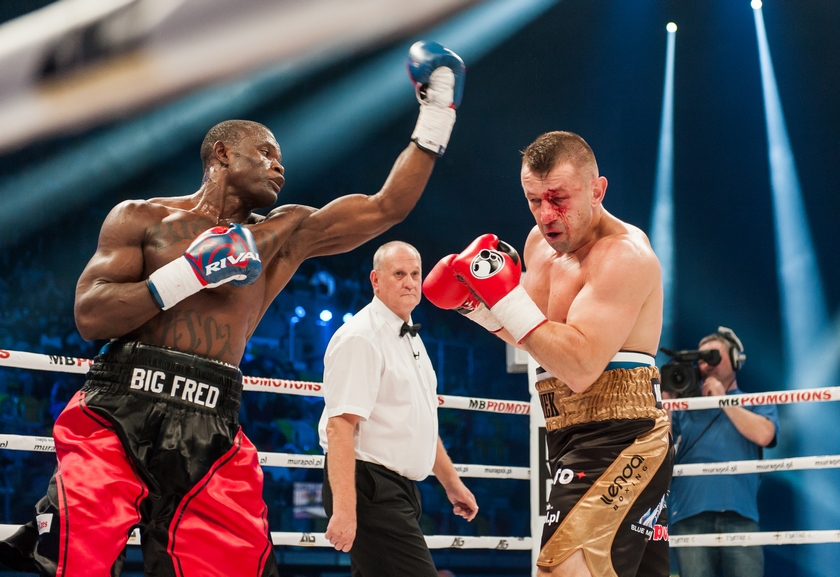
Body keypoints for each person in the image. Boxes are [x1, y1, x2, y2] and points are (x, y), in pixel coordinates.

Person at [0, 41, 465, 577]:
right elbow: (90, 316)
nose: (279, 165)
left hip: (212, 421)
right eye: (266, 153)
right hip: (119, 406)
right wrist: (186, 274)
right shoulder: (141, 218)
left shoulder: (283, 234)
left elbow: (387, 206)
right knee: (77, 556)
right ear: (222, 154)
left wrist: (436, 113)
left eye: (280, 158)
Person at [423, 130, 673, 576]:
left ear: (597, 190)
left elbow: (579, 366)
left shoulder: (623, 256)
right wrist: (472, 307)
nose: (545, 214)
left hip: (622, 439)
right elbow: (535, 337)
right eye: (534, 200)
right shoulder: (539, 246)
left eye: (558, 198)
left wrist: (502, 298)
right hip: (567, 436)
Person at [318, 241, 478, 577]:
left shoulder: (411, 338)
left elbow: (419, 422)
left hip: (398, 490)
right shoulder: (362, 337)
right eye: (399, 274)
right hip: (369, 488)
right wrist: (345, 510)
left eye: (415, 274)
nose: (409, 282)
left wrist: (452, 483)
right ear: (375, 280)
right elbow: (339, 425)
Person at [668, 327, 779, 577]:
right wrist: (668, 402)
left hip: (741, 516)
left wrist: (723, 400)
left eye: (713, 356)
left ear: (736, 359)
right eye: (701, 358)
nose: (707, 364)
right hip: (688, 515)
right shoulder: (684, 408)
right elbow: (660, 448)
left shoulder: (756, 402)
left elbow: (765, 434)